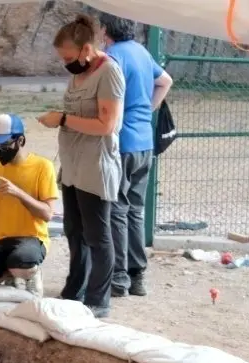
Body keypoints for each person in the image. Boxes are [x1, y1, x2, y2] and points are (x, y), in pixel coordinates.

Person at [38, 14, 126, 318]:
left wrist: (62, 119)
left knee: (98, 236)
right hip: (73, 166)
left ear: (86, 49)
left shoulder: (109, 73)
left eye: (68, 57)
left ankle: (98, 299)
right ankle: (74, 288)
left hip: (95, 166)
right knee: (74, 231)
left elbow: (107, 125)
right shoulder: (79, 73)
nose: (66, 63)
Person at [99, 13, 174, 297]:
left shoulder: (111, 56)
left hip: (123, 144)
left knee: (117, 209)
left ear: (105, 30)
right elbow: (165, 80)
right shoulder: (142, 52)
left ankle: (119, 277)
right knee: (135, 210)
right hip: (145, 143)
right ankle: (137, 275)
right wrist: (148, 110)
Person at [0, 114, 59, 296]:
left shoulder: (43, 166)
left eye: (4, 145)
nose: (0, 150)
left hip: (31, 237)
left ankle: (29, 274)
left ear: (21, 140)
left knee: (21, 259)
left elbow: (48, 214)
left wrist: (18, 193)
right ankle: (12, 274)